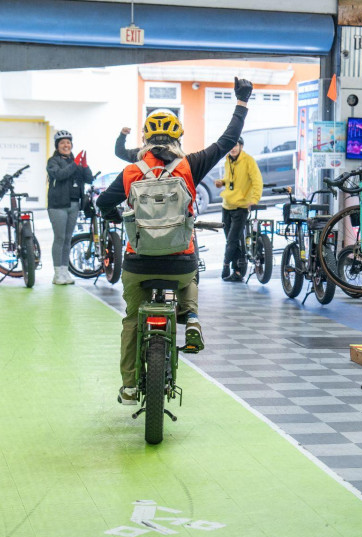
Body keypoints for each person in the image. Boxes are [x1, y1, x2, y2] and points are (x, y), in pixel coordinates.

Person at [97, 78, 253, 405]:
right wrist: (241, 102)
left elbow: (102, 204)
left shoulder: (131, 172)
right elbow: (226, 142)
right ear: (178, 137)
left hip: (138, 263)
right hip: (180, 262)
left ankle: (128, 387)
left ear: (145, 138)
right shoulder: (190, 165)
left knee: (131, 319)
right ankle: (191, 319)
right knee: (190, 269)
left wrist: (116, 217)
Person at [47, 130, 94, 285]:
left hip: (74, 204)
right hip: (58, 205)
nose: (66, 145)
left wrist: (85, 166)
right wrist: (75, 164)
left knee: (67, 239)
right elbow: (60, 175)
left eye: (68, 143)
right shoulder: (53, 161)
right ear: (57, 146)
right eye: (62, 143)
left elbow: (89, 179)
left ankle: (65, 271)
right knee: (59, 238)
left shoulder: (77, 162)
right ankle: (57, 273)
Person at [214, 136, 262, 281]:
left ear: (241, 146)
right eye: (231, 146)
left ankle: (226, 265)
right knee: (233, 240)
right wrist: (222, 182)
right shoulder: (228, 160)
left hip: (241, 206)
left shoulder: (248, 161)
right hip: (226, 205)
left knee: (232, 240)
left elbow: (257, 181)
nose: (233, 148)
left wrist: (254, 200)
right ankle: (238, 271)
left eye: (236, 145)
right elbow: (231, 181)